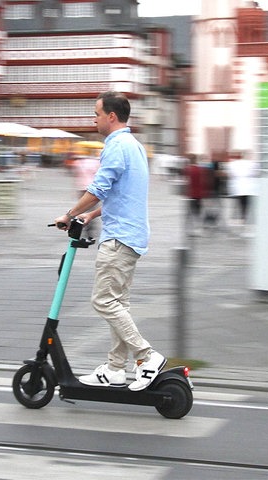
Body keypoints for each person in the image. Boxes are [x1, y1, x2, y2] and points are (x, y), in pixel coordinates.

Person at [54, 91, 166, 391]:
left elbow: (100, 186)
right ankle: (115, 368)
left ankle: (146, 356)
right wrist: (90, 216)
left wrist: (70, 213)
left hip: (119, 238)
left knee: (103, 300)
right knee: (119, 304)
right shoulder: (135, 146)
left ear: (111, 117)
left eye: (97, 113)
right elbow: (122, 192)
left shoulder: (116, 146)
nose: (94, 118)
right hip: (132, 235)